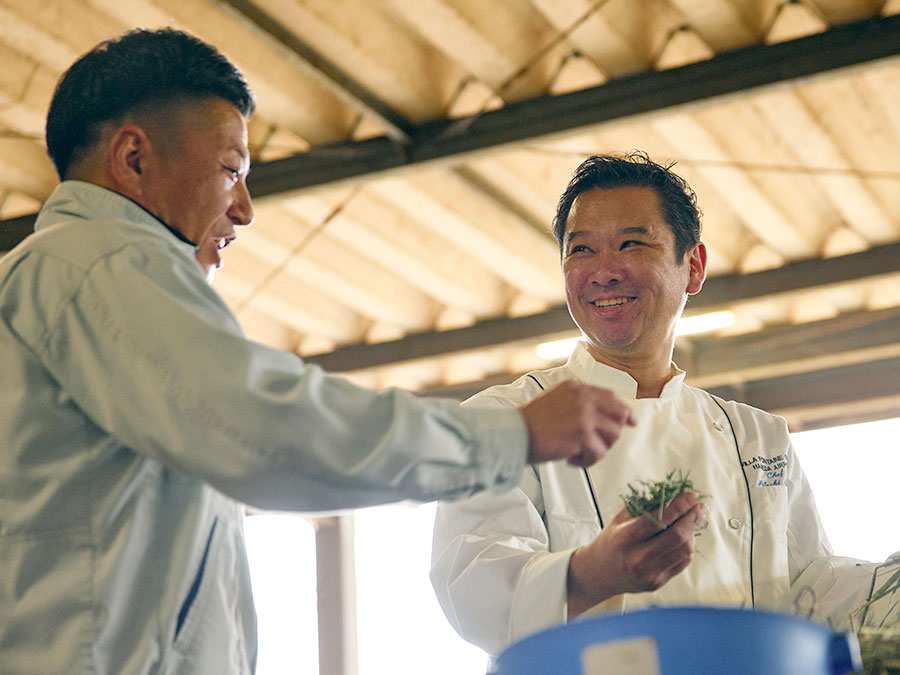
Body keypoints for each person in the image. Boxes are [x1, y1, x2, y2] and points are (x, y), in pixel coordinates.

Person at [0, 29, 637, 675]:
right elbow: (262, 430)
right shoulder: (98, 260)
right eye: (232, 170)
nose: (245, 209)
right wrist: (506, 436)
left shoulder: (68, 282)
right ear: (134, 158)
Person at [430, 151, 899, 659]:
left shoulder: (757, 436)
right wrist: (592, 573)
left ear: (693, 266)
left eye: (631, 243)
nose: (603, 272)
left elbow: (809, 588)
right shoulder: (506, 418)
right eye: (580, 249)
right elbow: (474, 583)